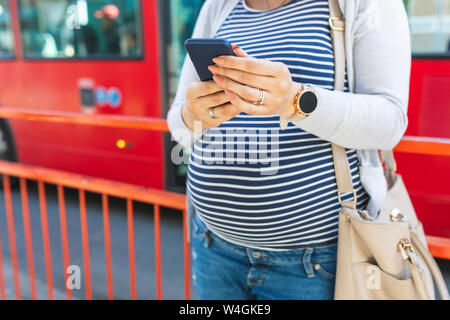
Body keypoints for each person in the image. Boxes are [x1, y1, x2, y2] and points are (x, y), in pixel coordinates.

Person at [168, 0, 411, 300]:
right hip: (213, 246)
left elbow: (390, 122)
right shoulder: (218, 6)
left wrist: (294, 100)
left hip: (315, 264)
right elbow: (178, 128)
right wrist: (195, 115)